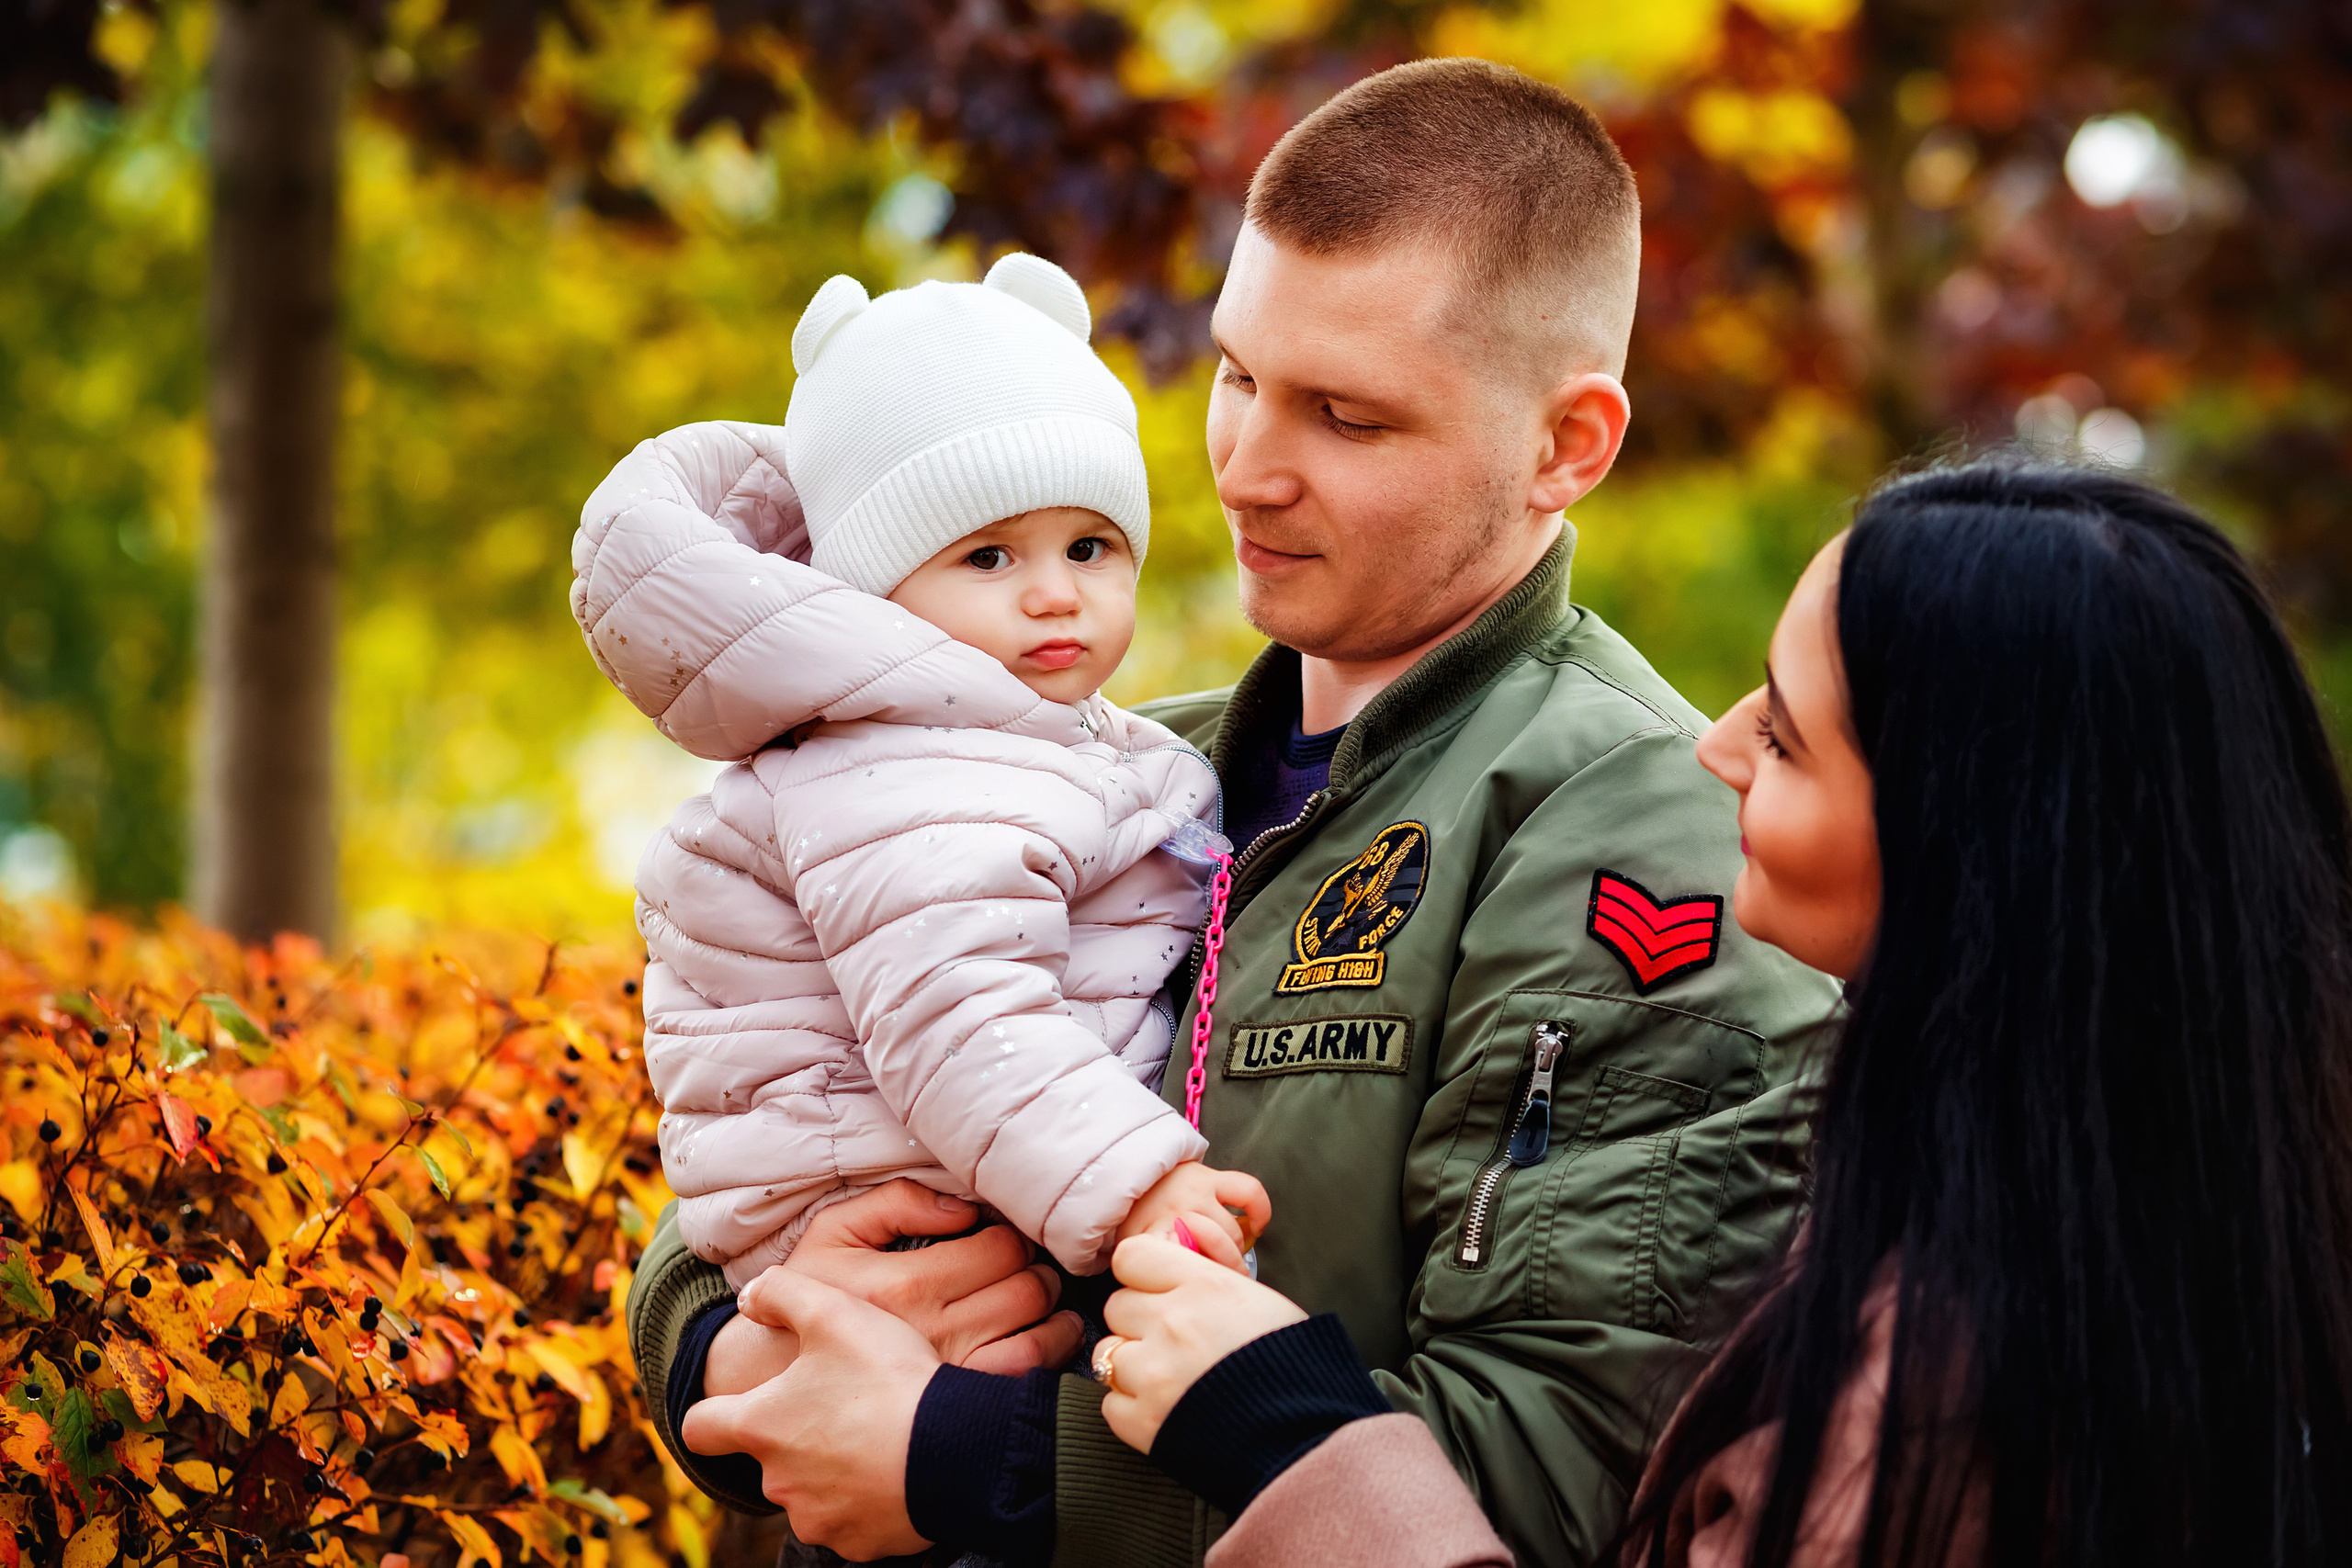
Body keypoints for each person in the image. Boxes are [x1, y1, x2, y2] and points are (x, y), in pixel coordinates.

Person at [622, 58, 1842, 1567]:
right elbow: (766, 1086)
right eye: (1240, 375)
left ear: (1567, 446)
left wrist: (961, 1456)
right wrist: (716, 1337)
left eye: (1347, 416)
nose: (1249, 470)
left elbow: (1567, 1460)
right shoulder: (1116, 757)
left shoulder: (1648, 830)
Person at [921, 458, 2352, 1568]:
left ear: (1971, 837)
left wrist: (1289, 1427)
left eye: (1784, 731)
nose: (1716, 742)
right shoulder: (2061, 1220)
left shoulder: (1948, 1397)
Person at [572, 254, 1273, 1326]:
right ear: (875, 594)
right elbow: (956, 1020)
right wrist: (1143, 1190)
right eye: (987, 558)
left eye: (1089, 547)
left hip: (969, 1191)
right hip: (906, 1221)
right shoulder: (905, 768)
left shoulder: (1033, 742)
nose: (1052, 594)